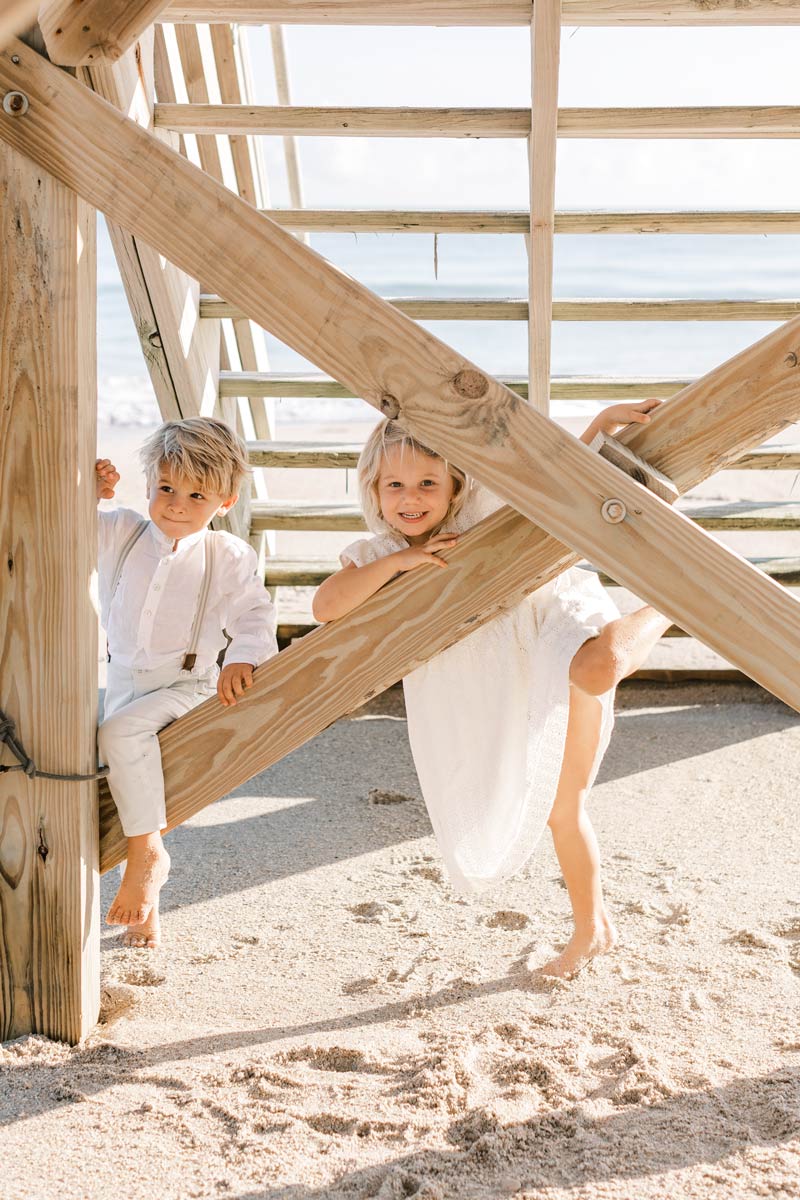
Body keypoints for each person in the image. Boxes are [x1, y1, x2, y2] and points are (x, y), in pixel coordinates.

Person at [312, 402, 671, 978]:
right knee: (563, 809)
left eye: (428, 483)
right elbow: (325, 606)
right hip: (501, 679)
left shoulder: (484, 513)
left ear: (455, 485)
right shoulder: (381, 553)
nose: (412, 498)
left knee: (597, 670)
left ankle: (668, 607)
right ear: (374, 491)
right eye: (395, 485)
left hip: (549, 620)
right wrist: (401, 562)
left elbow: (552, 484)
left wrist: (598, 427)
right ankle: (592, 928)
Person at [95, 417, 277, 949]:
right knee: (133, 781)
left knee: (123, 738)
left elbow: (254, 617)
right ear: (148, 482)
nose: (176, 504)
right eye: (167, 488)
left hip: (187, 685)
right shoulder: (121, 531)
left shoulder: (227, 555)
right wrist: (91, 491)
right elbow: (63, 527)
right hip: (124, 680)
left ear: (226, 499)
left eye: (196, 495)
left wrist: (241, 658)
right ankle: (148, 906)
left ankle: (147, 854)